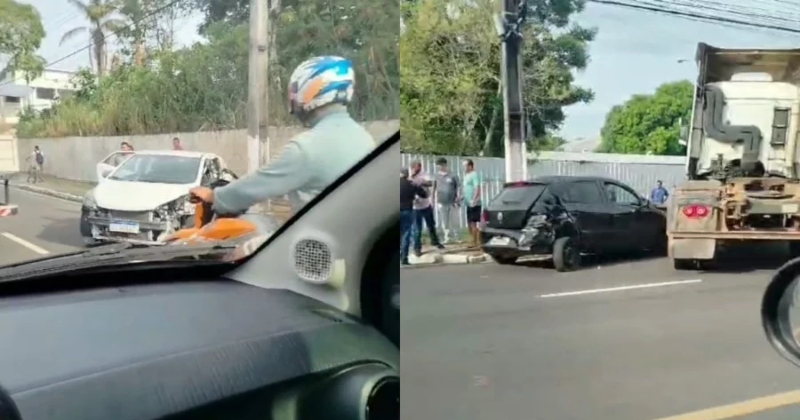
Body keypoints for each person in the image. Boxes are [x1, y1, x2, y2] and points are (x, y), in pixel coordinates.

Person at [189, 56, 374, 215]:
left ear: (312, 88)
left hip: (317, 244)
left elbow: (259, 185)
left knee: (242, 251)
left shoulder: (307, 148)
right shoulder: (364, 138)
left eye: (295, 90)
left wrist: (214, 196)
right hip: (347, 236)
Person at [410, 160, 444, 255]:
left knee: (431, 225)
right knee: (417, 229)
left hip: (426, 205)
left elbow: (431, 183)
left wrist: (420, 182)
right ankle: (417, 248)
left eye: (415, 167)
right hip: (415, 207)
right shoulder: (410, 177)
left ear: (419, 167)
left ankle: (435, 241)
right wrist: (412, 179)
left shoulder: (424, 175)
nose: (414, 169)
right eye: (412, 167)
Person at [400, 167, 428, 266]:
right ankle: (404, 258)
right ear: (407, 174)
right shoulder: (411, 184)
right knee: (406, 234)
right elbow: (424, 194)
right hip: (407, 210)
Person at [433, 157, 460, 244]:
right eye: (438, 166)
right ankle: (446, 237)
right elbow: (433, 189)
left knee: (454, 220)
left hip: (452, 202)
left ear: (444, 165)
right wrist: (432, 200)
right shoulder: (436, 176)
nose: (439, 167)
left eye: (440, 165)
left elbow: (458, 187)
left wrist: (458, 197)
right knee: (445, 221)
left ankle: (457, 237)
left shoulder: (453, 175)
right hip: (441, 201)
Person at [462, 159, 482, 248]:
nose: (464, 168)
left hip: (474, 203)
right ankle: (475, 240)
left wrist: (474, 199)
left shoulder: (474, 175)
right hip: (467, 202)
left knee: (473, 223)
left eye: (465, 166)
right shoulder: (466, 176)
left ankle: (476, 242)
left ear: (470, 166)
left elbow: (477, 188)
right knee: (470, 223)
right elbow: (466, 189)